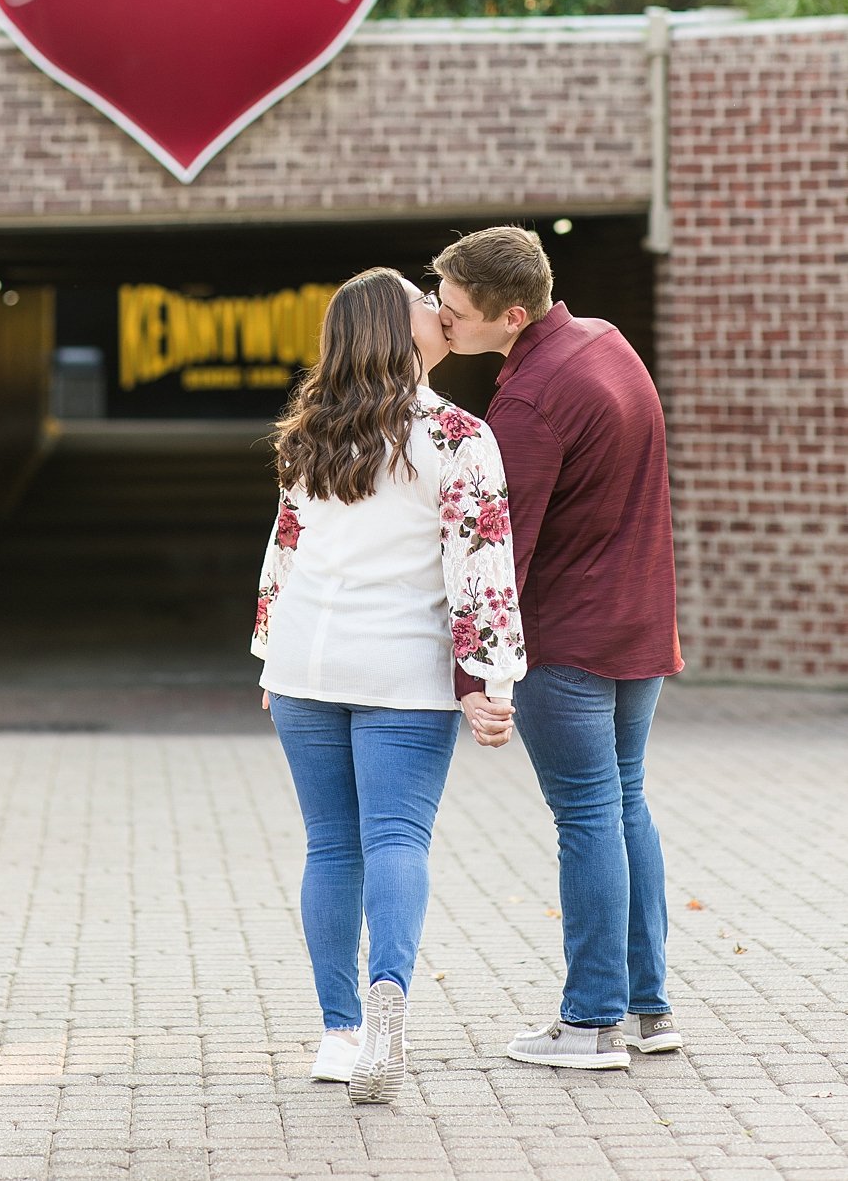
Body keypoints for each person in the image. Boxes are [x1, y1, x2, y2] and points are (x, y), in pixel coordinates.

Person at [253, 266, 527, 1105]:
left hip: (306, 662)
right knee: (397, 842)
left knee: (330, 846)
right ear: (396, 328)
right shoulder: (457, 436)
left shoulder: (309, 431)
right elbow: (480, 565)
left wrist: (269, 652)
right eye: (422, 300)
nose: (438, 308)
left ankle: (337, 1033)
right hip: (401, 669)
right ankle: (388, 1003)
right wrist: (491, 677)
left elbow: (283, 548)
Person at [434, 226, 683, 1073]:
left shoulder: (528, 402)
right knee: (623, 804)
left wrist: (475, 671)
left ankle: (589, 1024)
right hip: (638, 626)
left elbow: (504, 551)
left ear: (509, 313)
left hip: (568, 641)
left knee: (587, 817)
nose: (442, 316)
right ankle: (648, 1010)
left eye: (454, 307)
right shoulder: (605, 342)